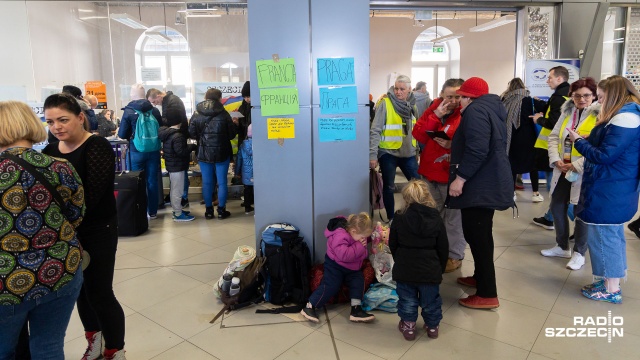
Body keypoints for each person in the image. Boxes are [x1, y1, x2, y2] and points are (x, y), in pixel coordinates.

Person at [43, 93, 127, 360]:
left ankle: (115, 349)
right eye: (51, 121)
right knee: (78, 290)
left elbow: (92, 194)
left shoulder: (97, 146)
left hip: (97, 228)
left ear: (80, 118)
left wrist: (62, 220)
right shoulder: (49, 151)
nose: (57, 127)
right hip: (65, 233)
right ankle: (96, 341)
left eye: (63, 119)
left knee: (100, 291)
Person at [0, 101, 85, 360]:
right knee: (48, 346)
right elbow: (76, 215)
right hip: (60, 269)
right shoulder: (60, 167)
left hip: (6, 279)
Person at [570, 75, 640, 303]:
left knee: (605, 238)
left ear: (615, 95)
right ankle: (610, 281)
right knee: (609, 236)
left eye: (601, 97)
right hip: (613, 187)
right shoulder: (626, 116)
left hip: (610, 188)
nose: (598, 102)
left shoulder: (626, 118)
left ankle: (611, 289)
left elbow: (605, 156)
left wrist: (579, 142)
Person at [447, 77, 513, 309]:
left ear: (469, 97)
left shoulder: (475, 112)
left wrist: (460, 179)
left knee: (478, 237)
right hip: (487, 182)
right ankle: (479, 278)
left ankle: (487, 293)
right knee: (480, 236)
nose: (459, 102)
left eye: (461, 97)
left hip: (478, 185)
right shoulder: (492, 108)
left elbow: (477, 150)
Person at [540, 78, 599, 271]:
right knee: (557, 206)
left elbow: (598, 147)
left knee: (581, 213)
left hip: (582, 172)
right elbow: (554, 137)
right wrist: (556, 159)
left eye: (586, 95)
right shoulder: (568, 111)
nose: (581, 99)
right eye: (577, 95)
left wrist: (576, 165)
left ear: (594, 95)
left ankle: (579, 253)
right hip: (562, 168)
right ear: (571, 96)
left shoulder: (600, 115)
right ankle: (561, 246)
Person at [412, 78, 467, 273]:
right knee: (434, 216)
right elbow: (418, 135)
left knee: (453, 219)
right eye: (449, 96)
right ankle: (437, 249)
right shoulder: (433, 108)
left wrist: (452, 146)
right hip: (430, 172)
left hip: (451, 175)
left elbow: (472, 144)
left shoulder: (466, 114)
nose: (452, 100)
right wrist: (435, 115)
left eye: (457, 96)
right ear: (441, 95)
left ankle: (454, 255)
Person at [390, 180, 448, 341]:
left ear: (405, 198)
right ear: (428, 197)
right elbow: (443, 247)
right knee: (430, 302)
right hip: (430, 269)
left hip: (405, 268)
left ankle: (408, 327)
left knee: (407, 300)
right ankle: (432, 326)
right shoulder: (436, 218)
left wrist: (399, 259)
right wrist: (440, 268)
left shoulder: (399, 217)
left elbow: (393, 243)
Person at [301, 213, 375, 323]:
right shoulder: (340, 235)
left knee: (358, 281)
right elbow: (344, 255)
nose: (364, 239)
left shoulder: (355, 233)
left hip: (352, 266)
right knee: (330, 284)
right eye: (362, 237)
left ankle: (356, 309)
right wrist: (360, 246)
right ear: (353, 231)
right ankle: (309, 306)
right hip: (335, 265)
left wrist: (374, 236)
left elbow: (360, 241)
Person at [369, 75, 420, 220]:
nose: (398, 92)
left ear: (409, 90)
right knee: (389, 188)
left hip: (408, 154)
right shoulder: (385, 103)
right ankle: (391, 219)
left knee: (418, 185)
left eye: (402, 89)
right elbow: (375, 130)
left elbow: (416, 130)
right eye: (396, 88)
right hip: (388, 153)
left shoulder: (413, 106)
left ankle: (414, 215)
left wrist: (416, 151)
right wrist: (372, 155)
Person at [531, 66, 571, 230]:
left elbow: (553, 121)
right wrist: (540, 104)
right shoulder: (564, 95)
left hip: (552, 149)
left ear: (560, 79)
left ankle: (583, 222)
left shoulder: (558, 97)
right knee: (555, 188)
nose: (547, 81)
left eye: (550, 78)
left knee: (554, 189)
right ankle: (549, 217)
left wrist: (537, 120)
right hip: (559, 149)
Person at [189, 88, 238, 219]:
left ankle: (209, 211)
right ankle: (221, 211)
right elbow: (232, 134)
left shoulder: (197, 113)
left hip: (204, 152)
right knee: (222, 182)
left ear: (206, 97)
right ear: (219, 98)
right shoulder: (224, 114)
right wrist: (235, 124)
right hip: (222, 152)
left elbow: (192, 133)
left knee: (207, 182)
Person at [118, 84, 162, 219]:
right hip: (153, 149)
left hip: (136, 150)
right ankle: (153, 211)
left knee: (137, 181)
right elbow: (160, 129)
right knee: (152, 181)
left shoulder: (129, 111)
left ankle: (140, 210)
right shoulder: (154, 111)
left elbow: (122, 133)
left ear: (132, 95)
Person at [501, 78, 547, 202]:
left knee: (512, 165)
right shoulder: (529, 100)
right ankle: (536, 193)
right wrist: (539, 101)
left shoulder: (504, 100)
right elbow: (547, 107)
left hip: (509, 138)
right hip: (527, 137)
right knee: (532, 165)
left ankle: (512, 193)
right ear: (523, 87)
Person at [147, 88, 190, 207]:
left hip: (177, 137)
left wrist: (159, 122)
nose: (155, 104)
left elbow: (174, 120)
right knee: (178, 171)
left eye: (154, 101)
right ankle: (179, 197)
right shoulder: (169, 101)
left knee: (180, 171)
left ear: (159, 95)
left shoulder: (172, 102)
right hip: (176, 136)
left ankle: (183, 197)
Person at [159, 107, 196, 222]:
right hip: (177, 166)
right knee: (178, 190)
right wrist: (192, 146)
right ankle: (178, 213)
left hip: (172, 165)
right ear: (179, 121)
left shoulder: (167, 133)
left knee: (175, 188)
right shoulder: (178, 135)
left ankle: (177, 209)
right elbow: (181, 152)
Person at [236, 124, 254, 214]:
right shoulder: (261, 145)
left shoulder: (243, 145)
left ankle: (247, 206)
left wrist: (237, 172)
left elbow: (239, 159)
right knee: (257, 188)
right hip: (258, 171)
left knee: (247, 188)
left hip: (246, 172)